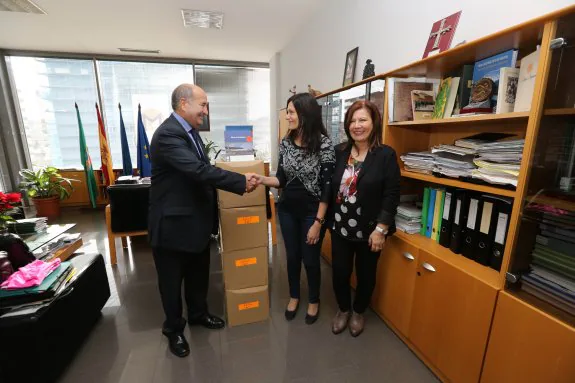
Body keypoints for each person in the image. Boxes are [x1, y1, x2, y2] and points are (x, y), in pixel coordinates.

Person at [148, 84, 258, 358]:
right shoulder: (168, 135)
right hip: (173, 226)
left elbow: (203, 170)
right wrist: (240, 181)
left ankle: (198, 314)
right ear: (183, 104)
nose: (206, 111)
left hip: (195, 222)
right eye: (203, 105)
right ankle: (173, 329)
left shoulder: (191, 133)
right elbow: (198, 170)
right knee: (172, 283)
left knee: (198, 274)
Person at [255, 93, 335, 324]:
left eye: (291, 112)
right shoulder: (286, 143)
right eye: (288, 112)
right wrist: (261, 180)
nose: (287, 116)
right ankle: (294, 296)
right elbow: (280, 178)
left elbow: (327, 188)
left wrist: (318, 223)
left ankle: (313, 299)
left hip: (313, 212)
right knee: (292, 257)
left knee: (310, 260)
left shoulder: (324, 144)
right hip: (288, 210)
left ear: (305, 114)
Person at [329, 100, 400, 337]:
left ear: (373, 123)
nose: (357, 125)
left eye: (363, 120)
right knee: (339, 272)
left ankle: (358, 311)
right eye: (352, 120)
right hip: (339, 227)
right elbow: (329, 188)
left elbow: (391, 194)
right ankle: (343, 309)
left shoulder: (385, 155)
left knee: (366, 275)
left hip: (370, 231)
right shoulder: (339, 152)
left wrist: (381, 229)